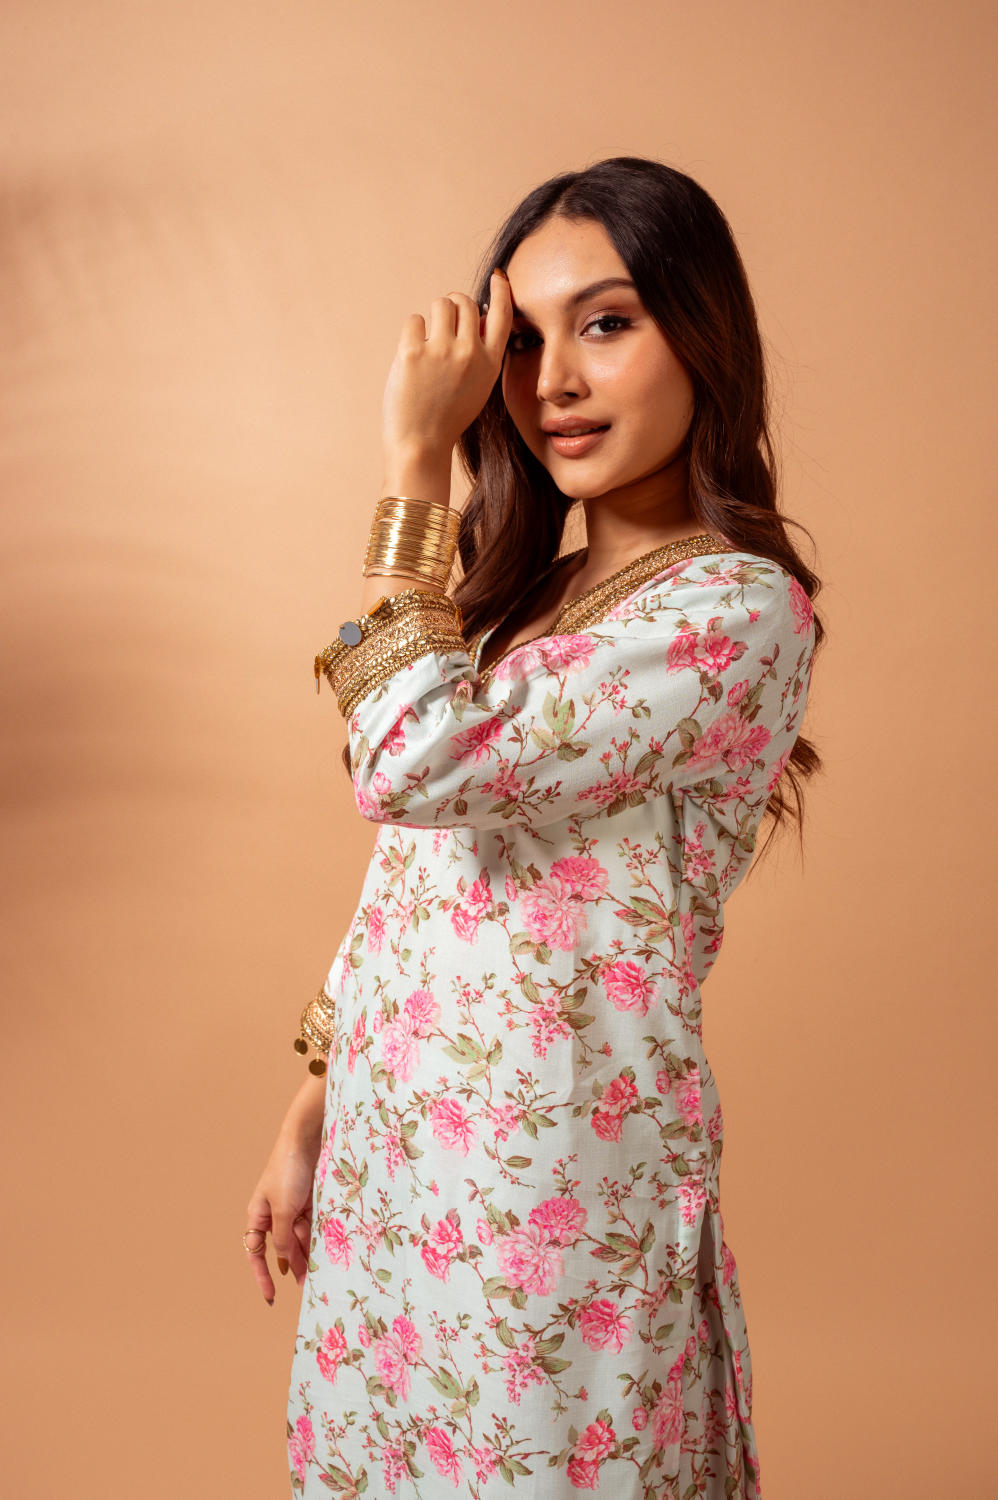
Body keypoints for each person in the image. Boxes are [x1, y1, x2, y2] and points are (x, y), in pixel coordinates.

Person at [245, 155, 823, 1499]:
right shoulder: (523, 599)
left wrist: (411, 469)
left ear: (704, 332)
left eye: (605, 323)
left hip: (551, 1182)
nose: (553, 378)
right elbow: (412, 874)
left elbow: (410, 762)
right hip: (402, 1152)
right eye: (521, 341)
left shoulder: (734, 613)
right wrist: (315, 1104)